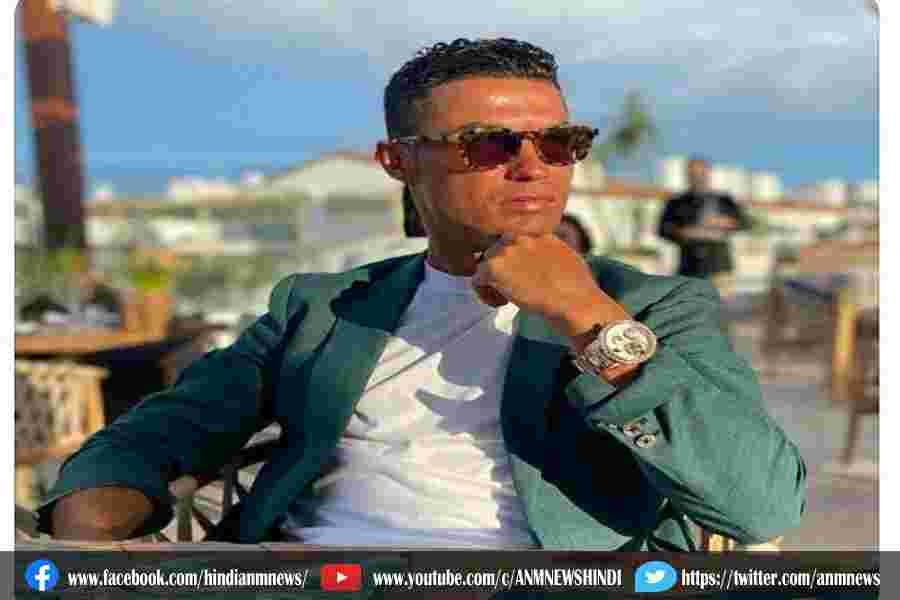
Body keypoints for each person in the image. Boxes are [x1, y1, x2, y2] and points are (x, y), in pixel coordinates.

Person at [40, 39, 804, 561]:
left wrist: (587, 317)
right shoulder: (324, 308)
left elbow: (758, 505)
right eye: (491, 144)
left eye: (559, 143)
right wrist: (95, 507)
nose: (533, 167)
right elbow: (169, 425)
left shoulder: (653, 306)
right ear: (398, 161)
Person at [657, 156, 752, 298]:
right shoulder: (676, 202)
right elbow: (662, 229)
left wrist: (724, 222)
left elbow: (745, 223)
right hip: (688, 268)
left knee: (720, 307)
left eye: (701, 173)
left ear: (708, 173)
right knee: (689, 307)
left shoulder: (724, 200)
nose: (697, 177)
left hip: (719, 268)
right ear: (687, 175)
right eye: (693, 174)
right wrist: (683, 233)